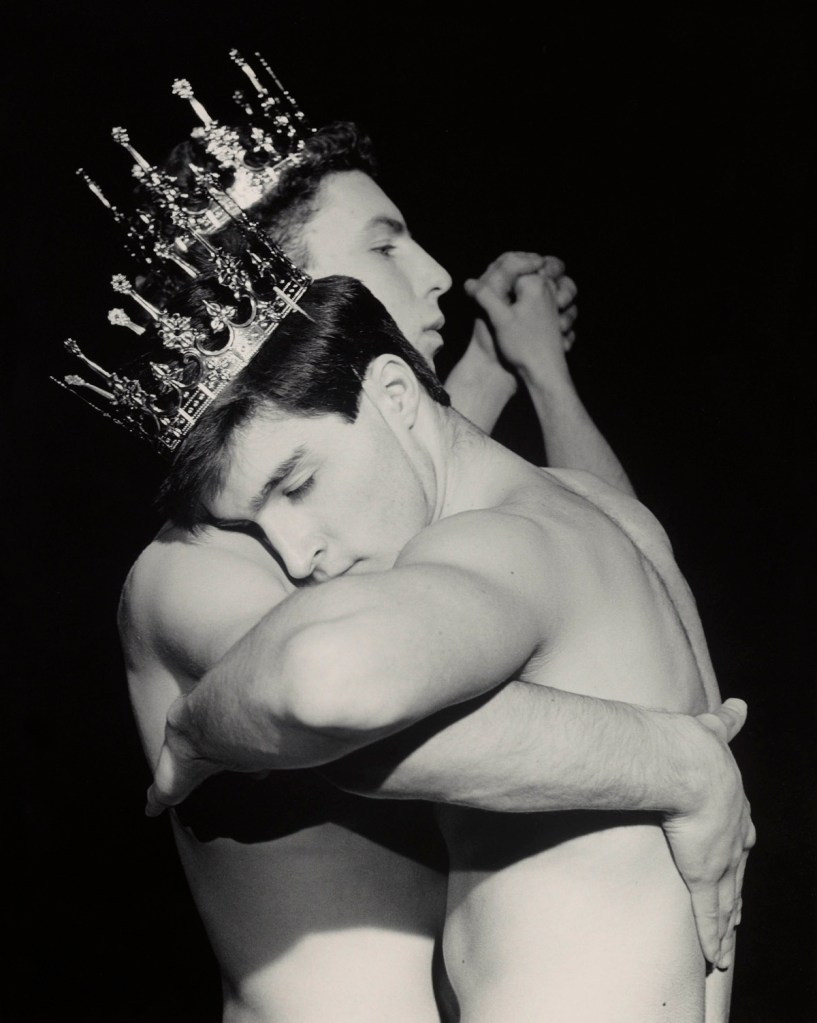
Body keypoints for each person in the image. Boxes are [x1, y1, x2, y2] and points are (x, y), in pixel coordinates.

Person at [119, 124, 751, 1021]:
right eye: (383, 245)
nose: (435, 273)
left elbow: (611, 553)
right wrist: (682, 766)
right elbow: (334, 713)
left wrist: (529, 372)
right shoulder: (198, 567)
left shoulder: (401, 523)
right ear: (280, 295)